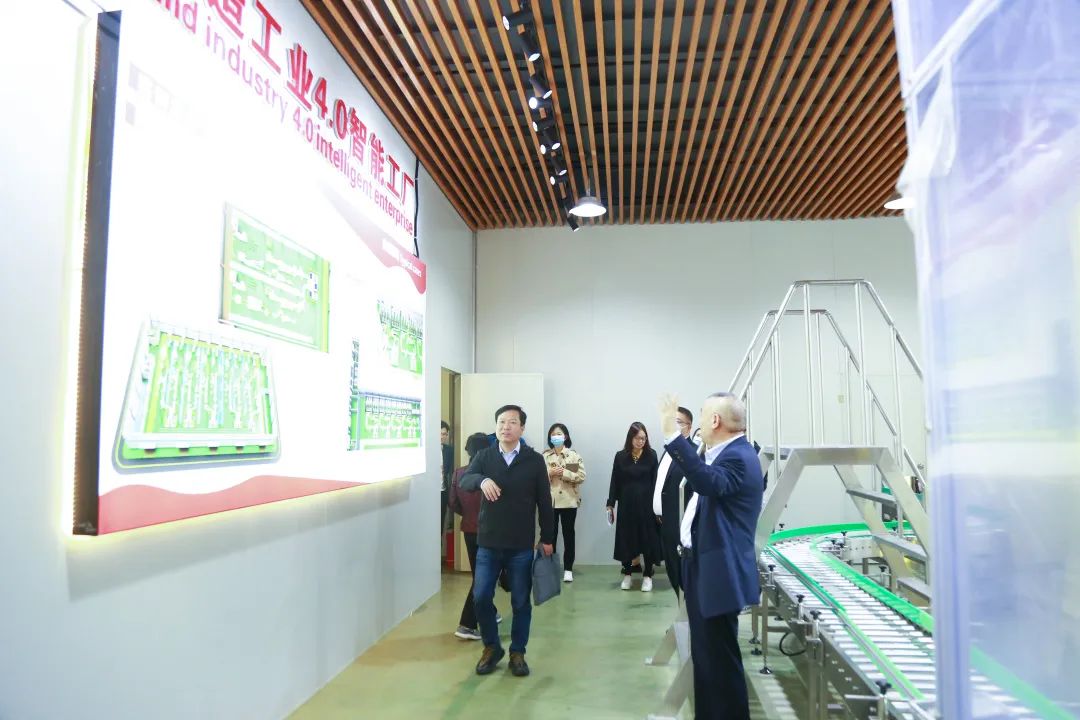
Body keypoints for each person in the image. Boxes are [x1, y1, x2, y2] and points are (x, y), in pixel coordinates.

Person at [659, 392, 763, 720]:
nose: (700, 423)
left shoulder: (738, 457)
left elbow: (707, 483)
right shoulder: (724, 454)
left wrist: (672, 435)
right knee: (706, 659)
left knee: (719, 662)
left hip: (718, 573)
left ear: (715, 420)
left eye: (703, 415)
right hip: (703, 568)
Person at [460, 405, 555, 678]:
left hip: (520, 545)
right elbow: (465, 480)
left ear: (521, 428)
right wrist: (482, 480)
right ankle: (492, 647)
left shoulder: (534, 460)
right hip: (488, 543)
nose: (506, 427)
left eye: (512, 422)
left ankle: (517, 652)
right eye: (501, 422)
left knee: (521, 602)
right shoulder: (485, 456)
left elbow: (544, 501)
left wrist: (547, 538)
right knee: (480, 597)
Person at [449, 432, 505, 640]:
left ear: (468, 450)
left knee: (480, 575)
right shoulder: (493, 473)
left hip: (469, 530)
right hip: (490, 533)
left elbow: (453, 503)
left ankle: (490, 611)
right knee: (483, 578)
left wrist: (469, 516)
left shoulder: (459, 473)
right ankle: (467, 624)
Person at [606, 421, 661, 592]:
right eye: (637, 438)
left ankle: (647, 576)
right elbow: (615, 481)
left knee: (648, 540)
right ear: (630, 438)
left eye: (643, 438)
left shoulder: (651, 455)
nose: (640, 441)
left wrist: (659, 506)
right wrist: (610, 503)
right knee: (626, 540)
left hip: (647, 506)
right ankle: (628, 575)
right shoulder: (620, 456)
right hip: (626, 506)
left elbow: (656, 482)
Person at [652, 406, 697, 597]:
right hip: (664, 520)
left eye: (678, 422)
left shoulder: (692, 452)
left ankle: (687, 608)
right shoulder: (667, 450)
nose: (673, 426)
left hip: (680, 520)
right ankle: (682, 605)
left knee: (682, 571)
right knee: (671, 568)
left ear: (689, 427)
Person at [543, 423, 587, 583]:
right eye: (553, 434)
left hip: (569, 501)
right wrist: (549, 473)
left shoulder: (572, 456)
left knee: (569, 535)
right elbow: (537, 478)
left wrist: (564, 472)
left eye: (559, 434)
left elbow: (581, 476)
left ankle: (568, 569)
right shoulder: (545, 456)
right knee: (550, 536)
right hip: (550, 502)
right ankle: (551, 569)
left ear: (565, 436)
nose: (556, 436)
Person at [440, 421, 454, 531]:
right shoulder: (425, 449)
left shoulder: (449, 450)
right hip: (428, 492)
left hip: (443, 491)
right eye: (439, 433)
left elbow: (450, 471)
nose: (442, 437)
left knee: (441, 520)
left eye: (444, 434)